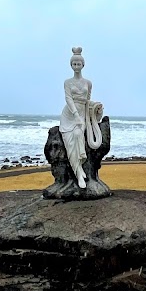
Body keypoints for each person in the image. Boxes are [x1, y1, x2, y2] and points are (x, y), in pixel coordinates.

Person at [59, 47, 93, 188]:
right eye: (74, 64)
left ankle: (81, 164)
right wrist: (75, 115)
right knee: (70, 142)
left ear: (83, 65)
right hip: (69, 114)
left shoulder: (88, 83)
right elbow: (68, 99)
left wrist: (96, 109)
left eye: (79, 64)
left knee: (79, 133)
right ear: (71, 65)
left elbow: (88, 100)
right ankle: (79, 173)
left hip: (82, 113)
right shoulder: (67, 82)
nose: (76, 66)